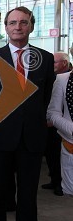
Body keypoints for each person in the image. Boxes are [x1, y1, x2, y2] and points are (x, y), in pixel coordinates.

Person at [0, 6, 55, 221]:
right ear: (6, 28)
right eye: (12, 22)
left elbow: (44, 99)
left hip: (31, 139)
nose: (18, 27)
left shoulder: (45, 59)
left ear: (31, 26)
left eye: (23, 22)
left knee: (27, 198)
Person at [42, 52, 70, 196]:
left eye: (55, 62)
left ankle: (60, 183)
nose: (51, 65)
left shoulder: (66, 79)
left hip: (62, 126)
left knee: (59, 155)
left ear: (64, 63)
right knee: (51, 154)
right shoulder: (54, 78)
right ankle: (55, 180)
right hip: (52, 122)